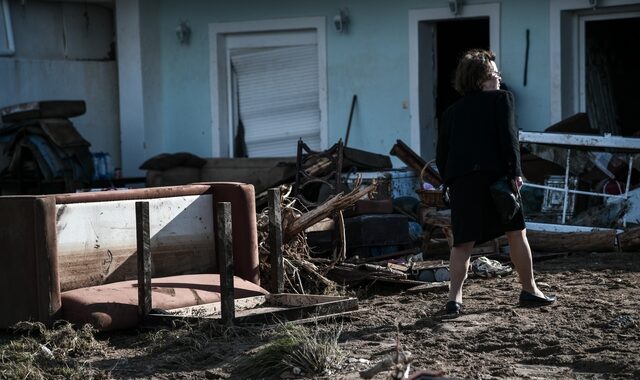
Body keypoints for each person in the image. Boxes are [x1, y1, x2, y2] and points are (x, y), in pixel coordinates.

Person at [435, 49, 556, 315]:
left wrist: (449, 181)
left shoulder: (451, 112)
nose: (499, 78)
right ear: (480, 79)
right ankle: (529, 290)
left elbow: (442, 155)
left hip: (463, 182)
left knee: (462, 242)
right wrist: (516, 172)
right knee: (516, 232)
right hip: (496, 178)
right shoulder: (502, 100)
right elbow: (509, 138)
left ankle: (454, 299)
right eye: (493, 73)